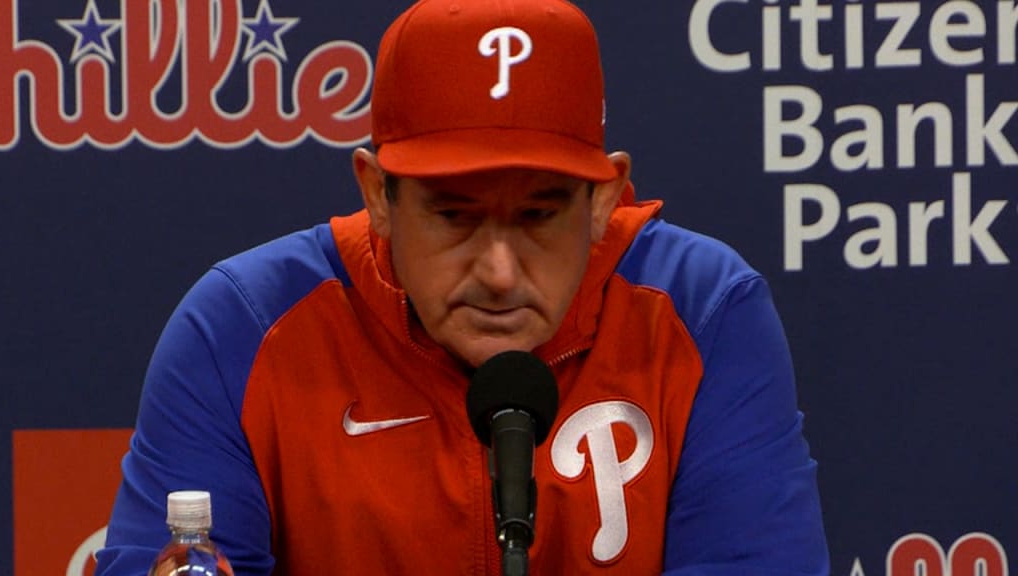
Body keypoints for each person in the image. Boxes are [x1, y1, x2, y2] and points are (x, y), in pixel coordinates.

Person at [95, 0, 829, 573]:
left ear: (604, 200)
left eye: (540, 215)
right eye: (454, 216)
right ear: (379, 195)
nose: (500, 272)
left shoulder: (701, 312)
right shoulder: (244, 328)